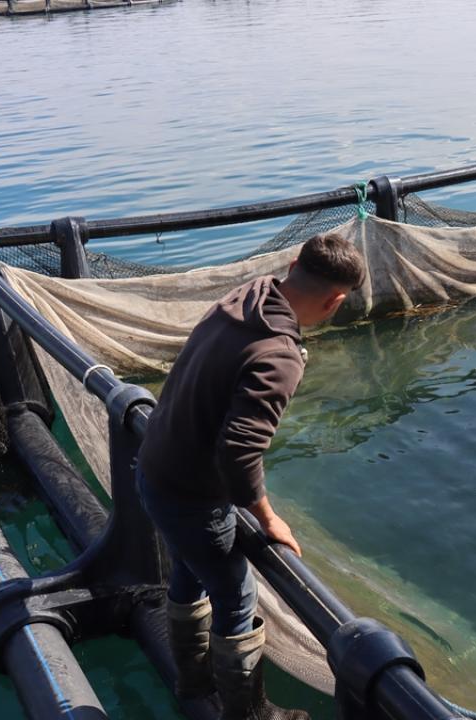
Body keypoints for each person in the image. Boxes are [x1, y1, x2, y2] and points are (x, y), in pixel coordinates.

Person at [137, 232, 365, 720]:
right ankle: (249, 713)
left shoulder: (247, 295)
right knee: (237, 595)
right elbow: (239, 454)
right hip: (191, 497)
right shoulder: (278, 356)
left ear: (292, 265)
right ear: (335, 302)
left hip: (155, 468)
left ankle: (192, 683)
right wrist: (268, 517)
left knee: (188, 569)